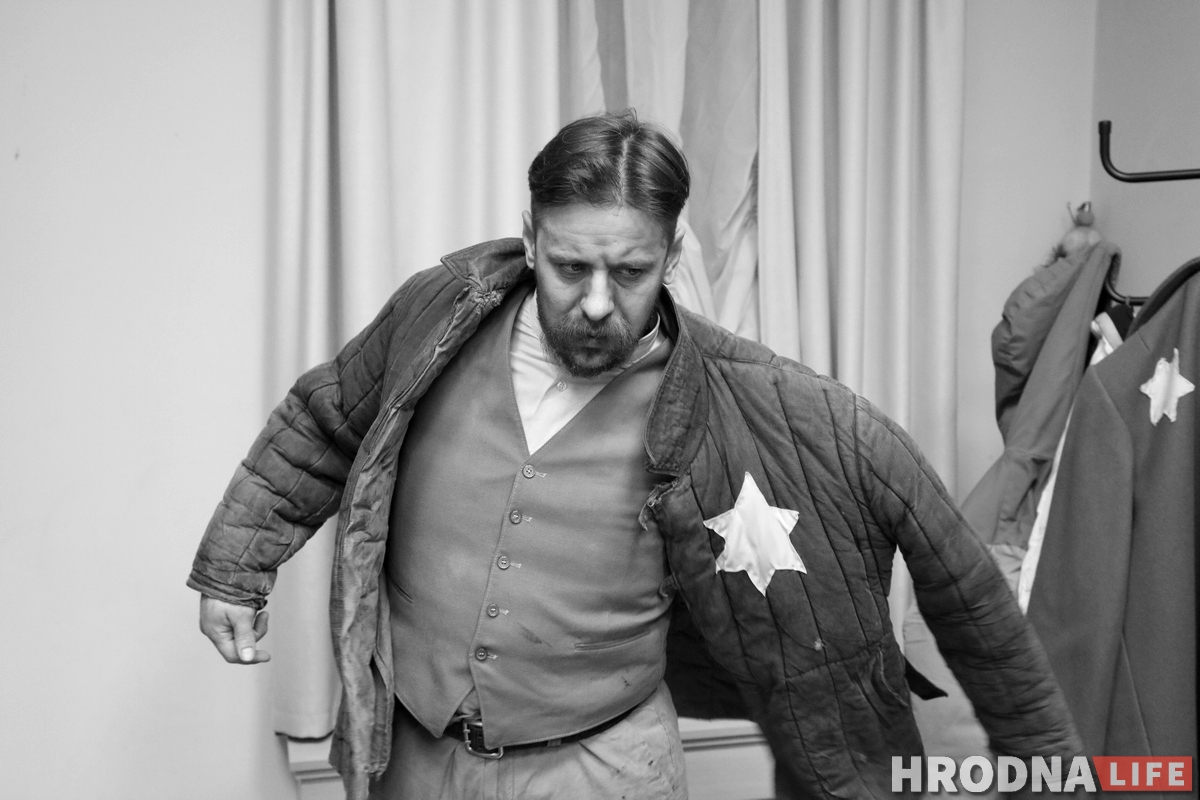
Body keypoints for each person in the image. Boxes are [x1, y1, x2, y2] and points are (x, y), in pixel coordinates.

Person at [190, 111, 1081, 800]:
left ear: (673, 254)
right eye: (570, 267)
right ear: (530, 238)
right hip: (412, 755)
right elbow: (327, 417)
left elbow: (965, 584)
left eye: (630, 273)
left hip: (605, 767)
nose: (595, 302)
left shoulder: (755, 404)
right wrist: (237, 565)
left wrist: (1044, 759)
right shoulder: (438, 314)